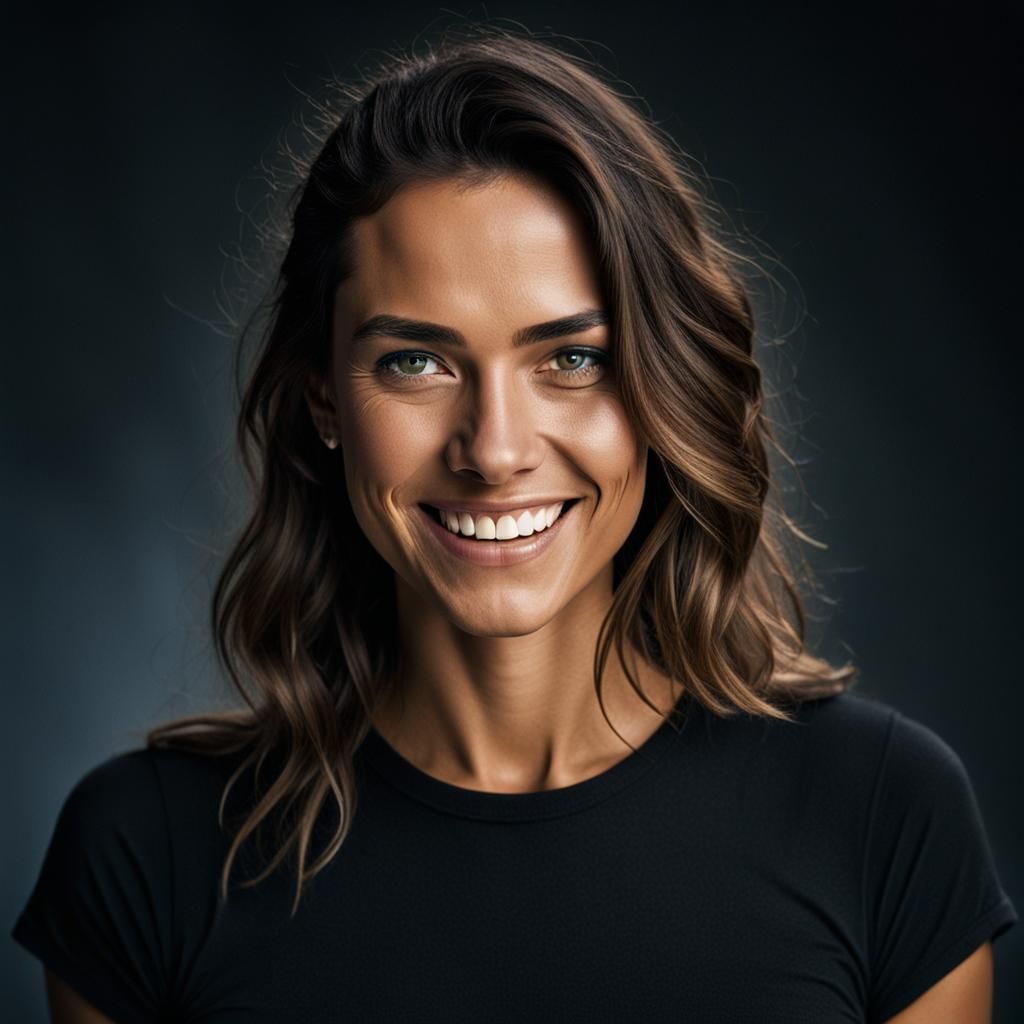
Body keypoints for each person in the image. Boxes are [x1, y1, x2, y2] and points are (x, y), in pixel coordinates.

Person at [12, 22, 1017, 1024]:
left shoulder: (882, 817)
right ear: (322, 397)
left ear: (664, 381)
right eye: (416, 360)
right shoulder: (146, 856)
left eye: (571, 358)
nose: (493, 450)